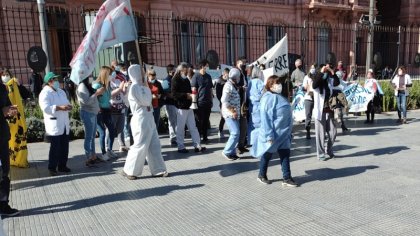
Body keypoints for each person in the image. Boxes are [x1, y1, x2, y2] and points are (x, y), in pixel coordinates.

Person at [250, 75, 298, 186]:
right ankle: (261, 175)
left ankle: (287, 178)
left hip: (284, 133)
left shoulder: (280, 96)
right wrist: (268, 136)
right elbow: (266, 118)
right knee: (267, 154)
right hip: (274, 133)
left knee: (285, 154)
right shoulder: (268, 98)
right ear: (270, 85)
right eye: (276, 83)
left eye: (279, 83)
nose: (279, 85)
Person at [122, 64, 168, 180]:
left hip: (149, 117)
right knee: (140, 145)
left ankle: (158, 169)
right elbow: (147, 100)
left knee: (154, 145)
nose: (144, 74)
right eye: (141, 72)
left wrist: (146, 87)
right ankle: (130, 170)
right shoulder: (135, 87)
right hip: (140, 118)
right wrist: (147, 87)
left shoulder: (142, 86)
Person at [39, 72, 72, 176]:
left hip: (64, 122)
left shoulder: (61, 91)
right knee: (55, 147)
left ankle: (62, 165)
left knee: (64, 146)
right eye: (55, 79)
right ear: (49, 81)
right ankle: (52, 168)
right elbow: (45, 108)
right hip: (54, 123)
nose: (57, 81)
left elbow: (66, 102)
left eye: (57, 79)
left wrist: (69, 106)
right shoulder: (45, 93)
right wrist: (59, 108)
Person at [171, 62, 206, 153]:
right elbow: (174, 94)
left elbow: (189, 90)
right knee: (181, 127)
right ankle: (181, 146)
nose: (187, 72)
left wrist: (192, 93)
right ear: (181, 70)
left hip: (189, 106)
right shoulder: (175, 79)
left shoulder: (186, 80)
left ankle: (197, 145)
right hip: (180, 107)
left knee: (193, 127)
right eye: (186, 70)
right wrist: (185, 95)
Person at [76, 75, 106, 166]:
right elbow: (86, 102)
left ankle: (93, 156)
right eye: (89, 76)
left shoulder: (87, 85)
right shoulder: (81, 87)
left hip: (93, 113)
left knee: (92, 136)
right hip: (87, 113)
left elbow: (92, 98)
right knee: (89, 137)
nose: (91, 77)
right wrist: (96, 93)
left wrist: (98, 93)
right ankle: (88, 157)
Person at [2, 69, 29, 168]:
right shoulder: (2, 88)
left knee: (19, 138)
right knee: (8, 140)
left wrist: (19, 85)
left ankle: (19, 158)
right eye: (3, 74)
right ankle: (9, 160)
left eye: (7, 74)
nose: (5, 76)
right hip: (5, 119)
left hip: (17, 118)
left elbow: (26, 95)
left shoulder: (15, 84)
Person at [0, 82, 20, 216]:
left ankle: (3, 204)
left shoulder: (1, 87)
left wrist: (10, 111)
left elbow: (6, 105)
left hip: (2, 135)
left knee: (4, 171)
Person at [312, 64, 340, 160]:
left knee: (333, 132)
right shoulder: (317, 80)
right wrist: (321, 72)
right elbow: (314, 84)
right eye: (324, 70)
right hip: (320, 111)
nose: (326, 73)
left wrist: (332, 72)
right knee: (320, 133)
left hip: (330, 110)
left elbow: (337, 82)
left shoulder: (329, 81)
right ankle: (320, 153)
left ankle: (329, 149)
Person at [93, 66, 118, 161]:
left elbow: (110, 96)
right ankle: (103, 153)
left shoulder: (107, 85)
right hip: (100, 112)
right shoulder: (97, 85)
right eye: (110, 74)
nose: (111, 76)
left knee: (112, 130)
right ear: (105, 74)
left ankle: (109, 150)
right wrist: (98, 106)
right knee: (102, 132)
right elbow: (93, 98)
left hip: (107, 110)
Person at [221, 68, 241, 161]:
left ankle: (232, 152)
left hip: (234, 113)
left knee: (236, 133)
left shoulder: (233, 85)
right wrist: (232, 111)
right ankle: (227, 151)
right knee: (235, 132)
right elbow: (224, 101)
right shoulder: (228, 86)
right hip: (229, 113)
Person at [191, 59, 213, 142]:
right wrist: (194, 103)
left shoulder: (208, 76)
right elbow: (193, 89)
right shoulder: (196, 76)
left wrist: (211, 100)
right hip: (199, 103)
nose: (207, 67)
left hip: (207, 102)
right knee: (199, 121)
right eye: (206, 66)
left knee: (206, 121)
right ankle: (198, 138)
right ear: (202, 66)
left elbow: (210, 89)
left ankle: (205, 137)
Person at [108, 69, 129, 152]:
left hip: (121, 107)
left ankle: (122, 145)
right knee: (110, 129)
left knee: (121, 128)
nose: (114, 74)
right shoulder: (107, 83)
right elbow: (110, 94)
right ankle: (108, 147)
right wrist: (119, 89)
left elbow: (123, 92)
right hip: (112, 107)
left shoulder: (119, 80)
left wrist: (125, 88)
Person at [247, 65, 264, 146]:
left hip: (251, 106)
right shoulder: (259, 82)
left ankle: (251, 141)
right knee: (259, 125)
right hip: (258, 105)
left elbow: (247, 94)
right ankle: (258, 141)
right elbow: (263, 93)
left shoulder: (249, 82)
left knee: (251, 124)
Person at [236, 58, 249, 154]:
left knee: (244, 126)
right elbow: (233, 86)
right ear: (237, 63)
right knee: (238, 127)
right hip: (238, 103)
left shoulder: (244, 73)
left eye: (244, 63)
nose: (243, 64)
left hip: (244, 103)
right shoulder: (236, 73)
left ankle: (241, 145)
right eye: (242, 63)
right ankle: (237, 146)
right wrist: (241, 88)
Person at [162, 64, 177, 146]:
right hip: (169, 103)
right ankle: (172, 138)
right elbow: (166, 93)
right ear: (168, 71)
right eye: (171, 70)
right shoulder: (166, 80)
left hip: (176, 103)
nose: (173, 71)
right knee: (171, 121)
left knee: (176, 121)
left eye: (174, 70)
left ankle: (176, 137)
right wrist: (176, 95)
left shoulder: (175, 79)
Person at [302, 63, 316, 139]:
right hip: (309, 98)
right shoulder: (306, 77)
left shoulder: (317, 76)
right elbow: (304, 87)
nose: (313, 69)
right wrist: (307, 87)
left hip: (316, 98)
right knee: (308, 115)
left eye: (314, 68)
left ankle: (321, 132)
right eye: (312, 68)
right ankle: (308, 131)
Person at [215, 68, 229, 138]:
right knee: (223, 117)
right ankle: (220, 130)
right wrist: (222, 100)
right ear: (224, 73)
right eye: (227, 74)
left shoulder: (228, 81)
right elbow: (218, 94)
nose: (228, 76)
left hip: (229, 102)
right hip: (222, 102)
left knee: (229, 116)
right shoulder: (219, 81)